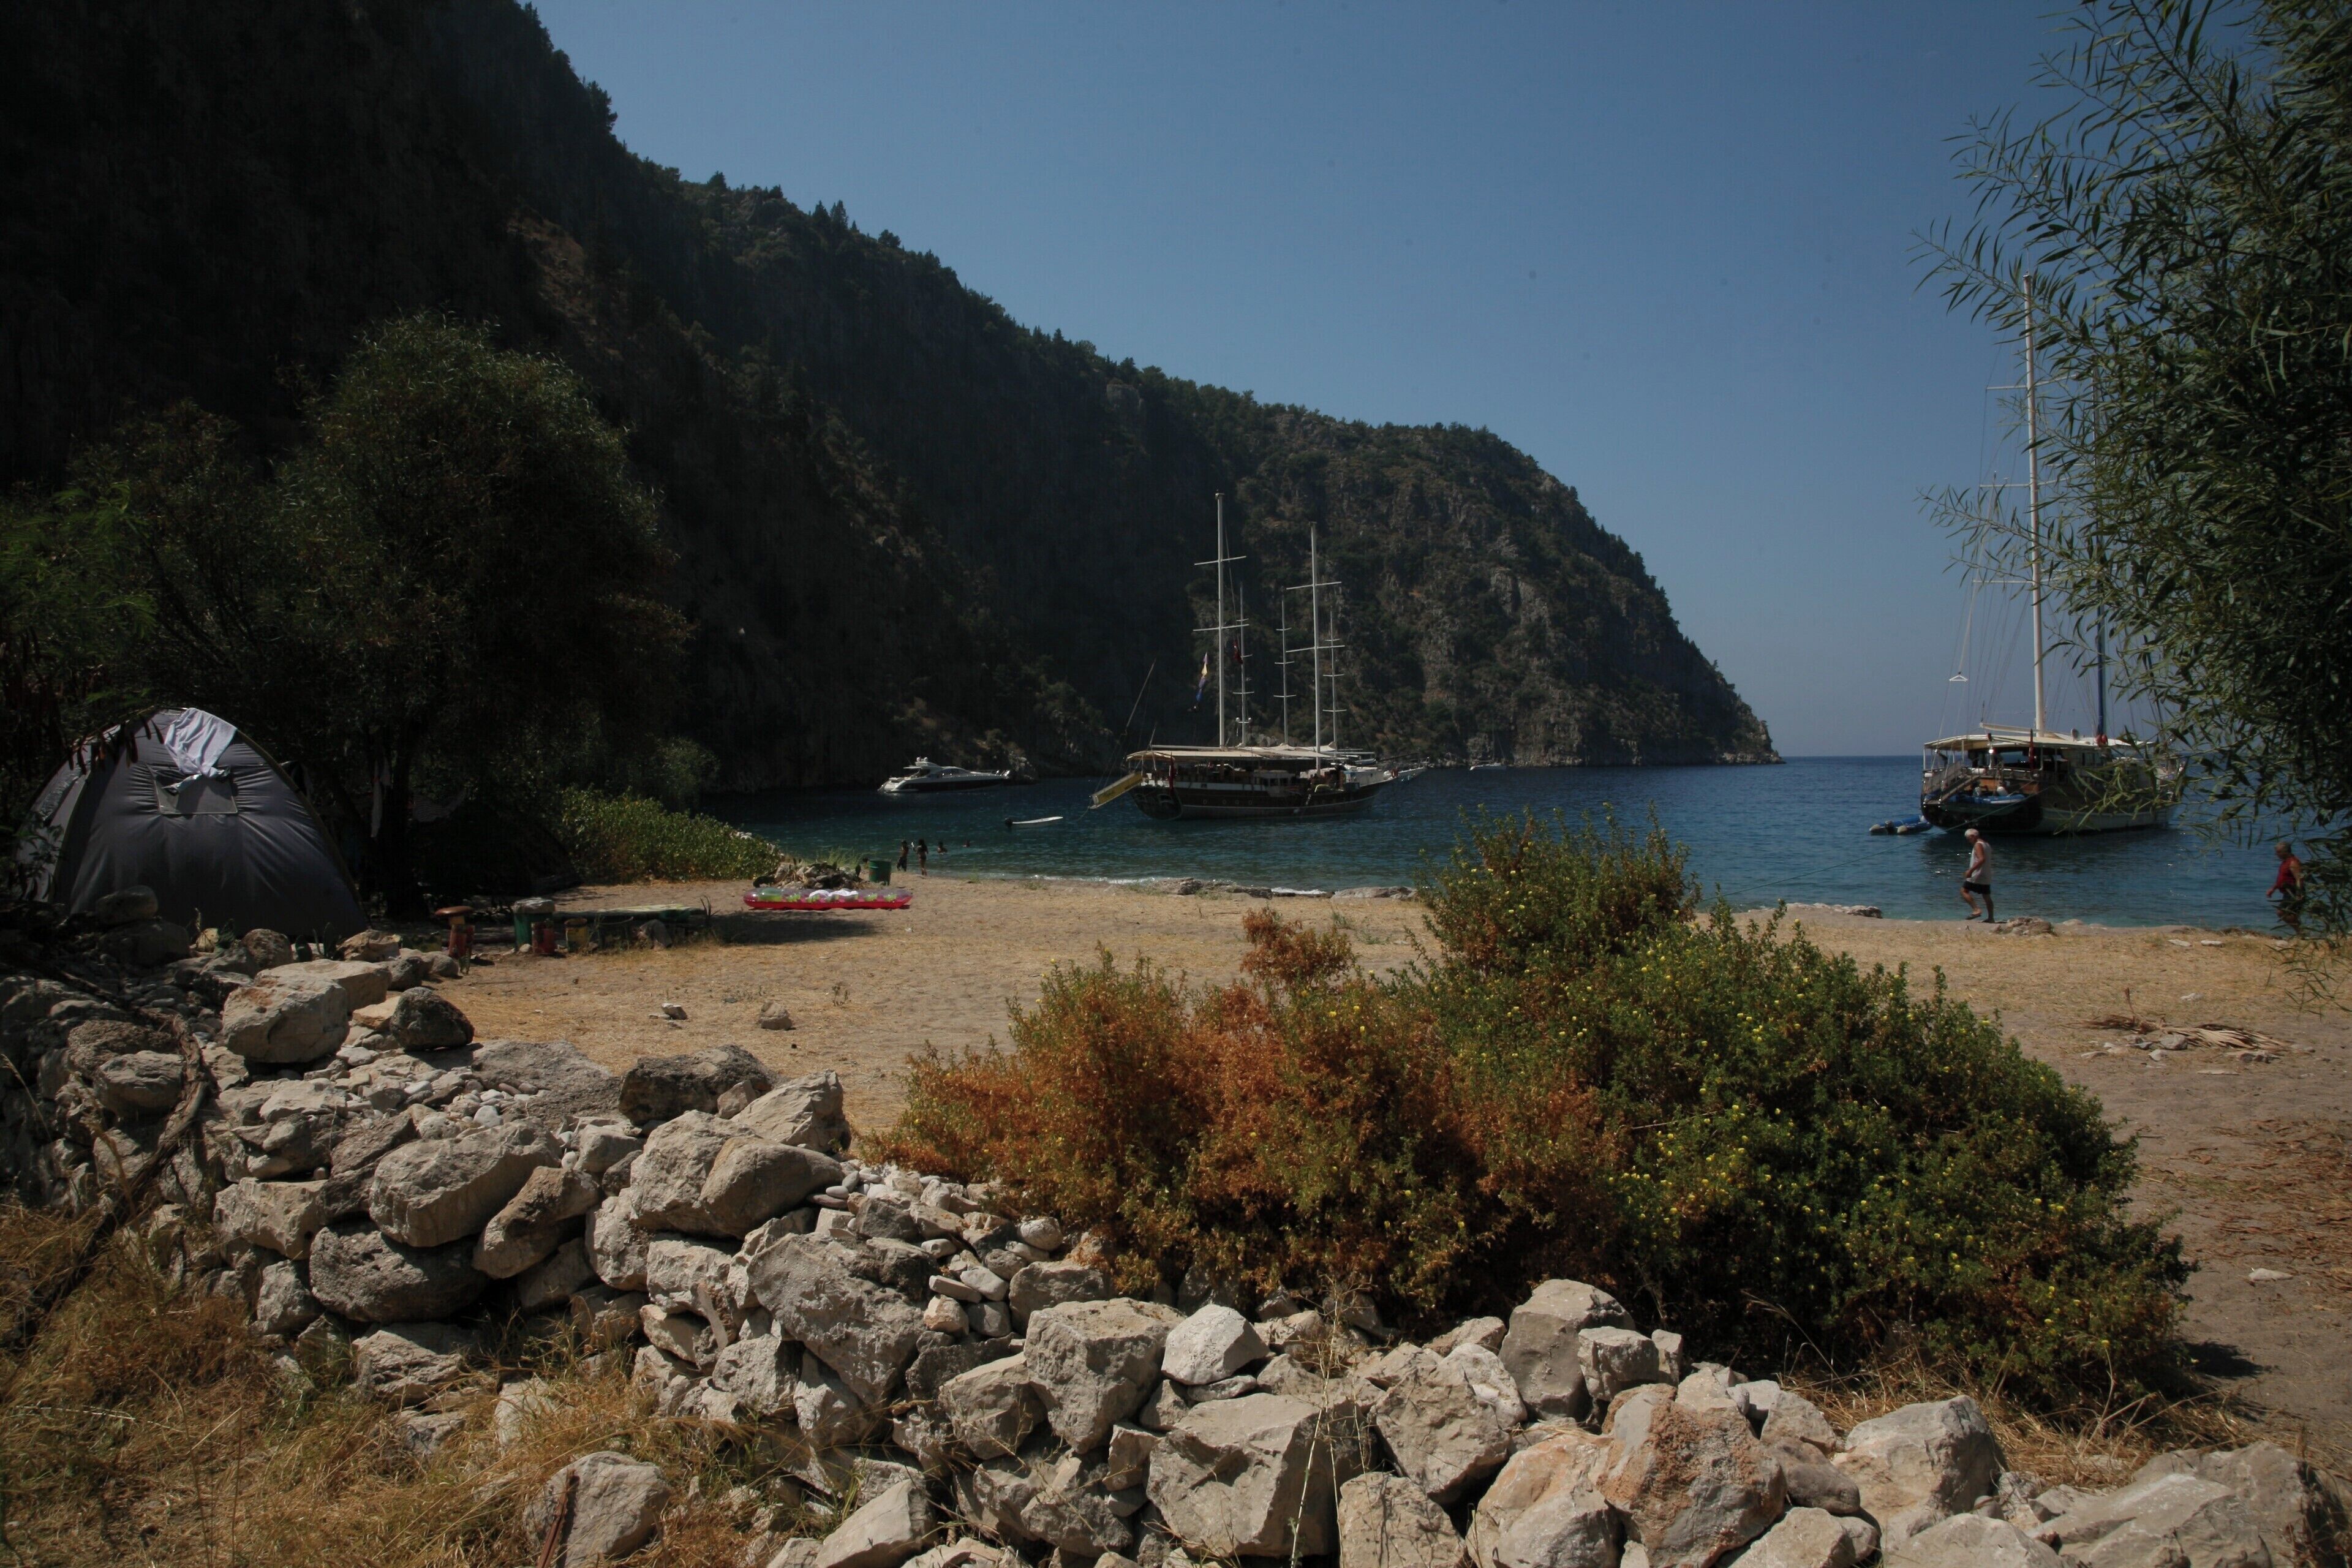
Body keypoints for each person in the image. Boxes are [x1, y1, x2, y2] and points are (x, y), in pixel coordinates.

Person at [2269, 841, 2305, 934]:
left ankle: (2301, 932)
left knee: (2282, 912)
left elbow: (2299, 879)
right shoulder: (2285, 862)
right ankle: (2301, 933)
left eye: (2279, 852)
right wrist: (2273, 889)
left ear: (2286, 852)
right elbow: (2282, 878)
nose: (2277, 855)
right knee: (2289, 914)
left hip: (2293, 892)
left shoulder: (2293, 862)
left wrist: (2298, 894)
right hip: (2287, 892)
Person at [1960, 828, 1994, 921]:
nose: (1969, 841)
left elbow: (1981, 859)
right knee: (1986, 896)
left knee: (1964, 891)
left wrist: (1970, 871)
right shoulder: (1987, 844)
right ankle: (1991, 918)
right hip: (1986, 875)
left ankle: (1976, 910)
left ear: (1973, 836)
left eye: (1969, 839)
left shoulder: (1978, 845)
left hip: (1978, 875)